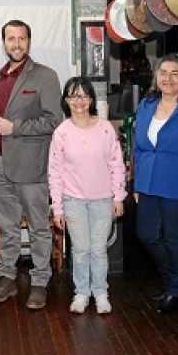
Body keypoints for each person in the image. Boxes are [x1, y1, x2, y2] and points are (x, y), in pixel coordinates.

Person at [0, 19, 63, 310]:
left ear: (29, 42)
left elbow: (54, 120)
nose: (16, 44)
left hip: (33, 167)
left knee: (38, 228)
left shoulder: (46, 76)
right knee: (7, 227)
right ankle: (7, 278)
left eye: (21, 38)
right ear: (4, 42)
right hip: (1, 165)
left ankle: (40, 282)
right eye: (11, 38)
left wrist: (16, 127)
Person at [49, 76, 126, 315]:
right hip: (73, 200)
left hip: (103, 199)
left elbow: (116, 163)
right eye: (73, 96)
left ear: (91, 99)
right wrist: (57, 208)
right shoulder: (61, 132)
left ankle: (101, 293)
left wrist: (118, 196)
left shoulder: (105, 128)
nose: (79, 101)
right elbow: (55, 172)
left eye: (83, 95)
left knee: (99, 250)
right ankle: (82, 292)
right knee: (81, 250)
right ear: (66, 100)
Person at [133, 54, 178, 314]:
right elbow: (138, 147)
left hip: (176, 182)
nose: (168, 78)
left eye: (174, 73)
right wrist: (136, 183)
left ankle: (175, 290)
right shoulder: (146, 105)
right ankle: (172, 281)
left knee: (174, 239)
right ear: (156, 78)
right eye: (163, 73)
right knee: (146, 235)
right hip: (147, 182)